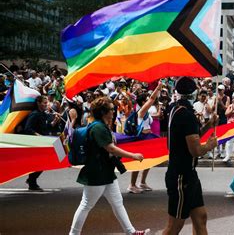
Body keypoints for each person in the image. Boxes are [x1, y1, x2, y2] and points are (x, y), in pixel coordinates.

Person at [69, 97, 149, 235]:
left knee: (117, 202)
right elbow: (110, 148)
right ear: (103, 112)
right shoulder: (98, 127)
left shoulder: (101, 125)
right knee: (86, 205)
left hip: (105, 172)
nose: (114, 111)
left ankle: (131, 232)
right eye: (112, 109)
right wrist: (133, 156)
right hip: (97, 172)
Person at [163, 77, 217, 235]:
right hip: (181, 176)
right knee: (174, 226)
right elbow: (196, 150)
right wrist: (210, 145)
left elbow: (191, 134)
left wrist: (209, 125)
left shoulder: (175, 109)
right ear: (194, 93)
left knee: (201, 217)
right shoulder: (187, 115)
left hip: (188, 175)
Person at [128, 85, 161, 194]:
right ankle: (132, 185)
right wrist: (158, 88)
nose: (148, 101)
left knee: (149, 161)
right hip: (141, 139)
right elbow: (152, 99)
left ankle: (142, 182)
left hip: (149, 138)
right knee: (138, 161)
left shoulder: (146, 113)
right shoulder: (141, 112)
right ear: (142, 102)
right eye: (146, 100)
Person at [23, 95, 61, 191]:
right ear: (38, 103)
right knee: (39, 163)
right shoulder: (34, 114)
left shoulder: (43, 114)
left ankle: (31, 180)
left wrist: (55, 120)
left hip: (43, 142)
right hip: (35, 143)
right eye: (44, 102)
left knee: (43, 163)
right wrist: (39, 136)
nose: (46, 104)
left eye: (47, 102)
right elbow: (28, 128)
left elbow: (48, 126)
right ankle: (32, 183)